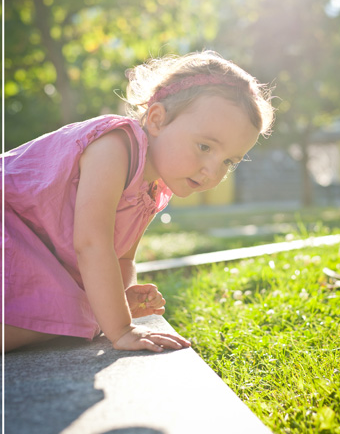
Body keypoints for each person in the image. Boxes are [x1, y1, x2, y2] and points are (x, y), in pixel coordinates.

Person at [3, 51, 273, 353]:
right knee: (50, 320)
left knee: (72, 317)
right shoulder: (116, 147)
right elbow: (92, 243)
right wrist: (121, 329)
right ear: (157, 120)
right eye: (204, 146)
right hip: (8, 227)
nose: (213, 170)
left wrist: (124, 299)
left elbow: (121, 257)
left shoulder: (154, 188)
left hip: (29, 251)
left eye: (228, 161)